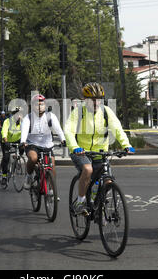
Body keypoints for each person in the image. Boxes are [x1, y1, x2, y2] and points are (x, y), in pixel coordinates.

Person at [64, 82, 135, 215]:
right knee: (88, 169)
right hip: (81, 152)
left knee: (108, 180)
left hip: (100, 153)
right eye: (92, 100)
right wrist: (75, 147)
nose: (96, 102)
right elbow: (68, 131)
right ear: (85, 100)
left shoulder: (106, 112)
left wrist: (126, 145)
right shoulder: (78, 112)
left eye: (99, 99)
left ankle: (95, 199)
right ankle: (80, 201)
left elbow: (117, 129)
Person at [20, 94, 66, 190]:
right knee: (33, 158)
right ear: (33, 106)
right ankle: (28, 176)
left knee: (52, 165)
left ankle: (52, 191)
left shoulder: (50, 116)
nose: (40, 107)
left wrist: (63, 139)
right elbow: (24, 130)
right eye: (37, 105)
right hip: (32, 144)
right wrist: (23, 141)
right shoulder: (28, 118)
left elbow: (58, 129)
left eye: (42, 104)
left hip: (47, 145)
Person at [0, 108, 22, 188]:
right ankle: (4, 176)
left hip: (17, 140)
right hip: (7, 141)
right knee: (6, 158)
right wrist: (5, 140)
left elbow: (26, 132)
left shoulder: (22, 122)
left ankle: (17, 158)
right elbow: (4, 131)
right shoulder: (7, 121)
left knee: (23, 148)